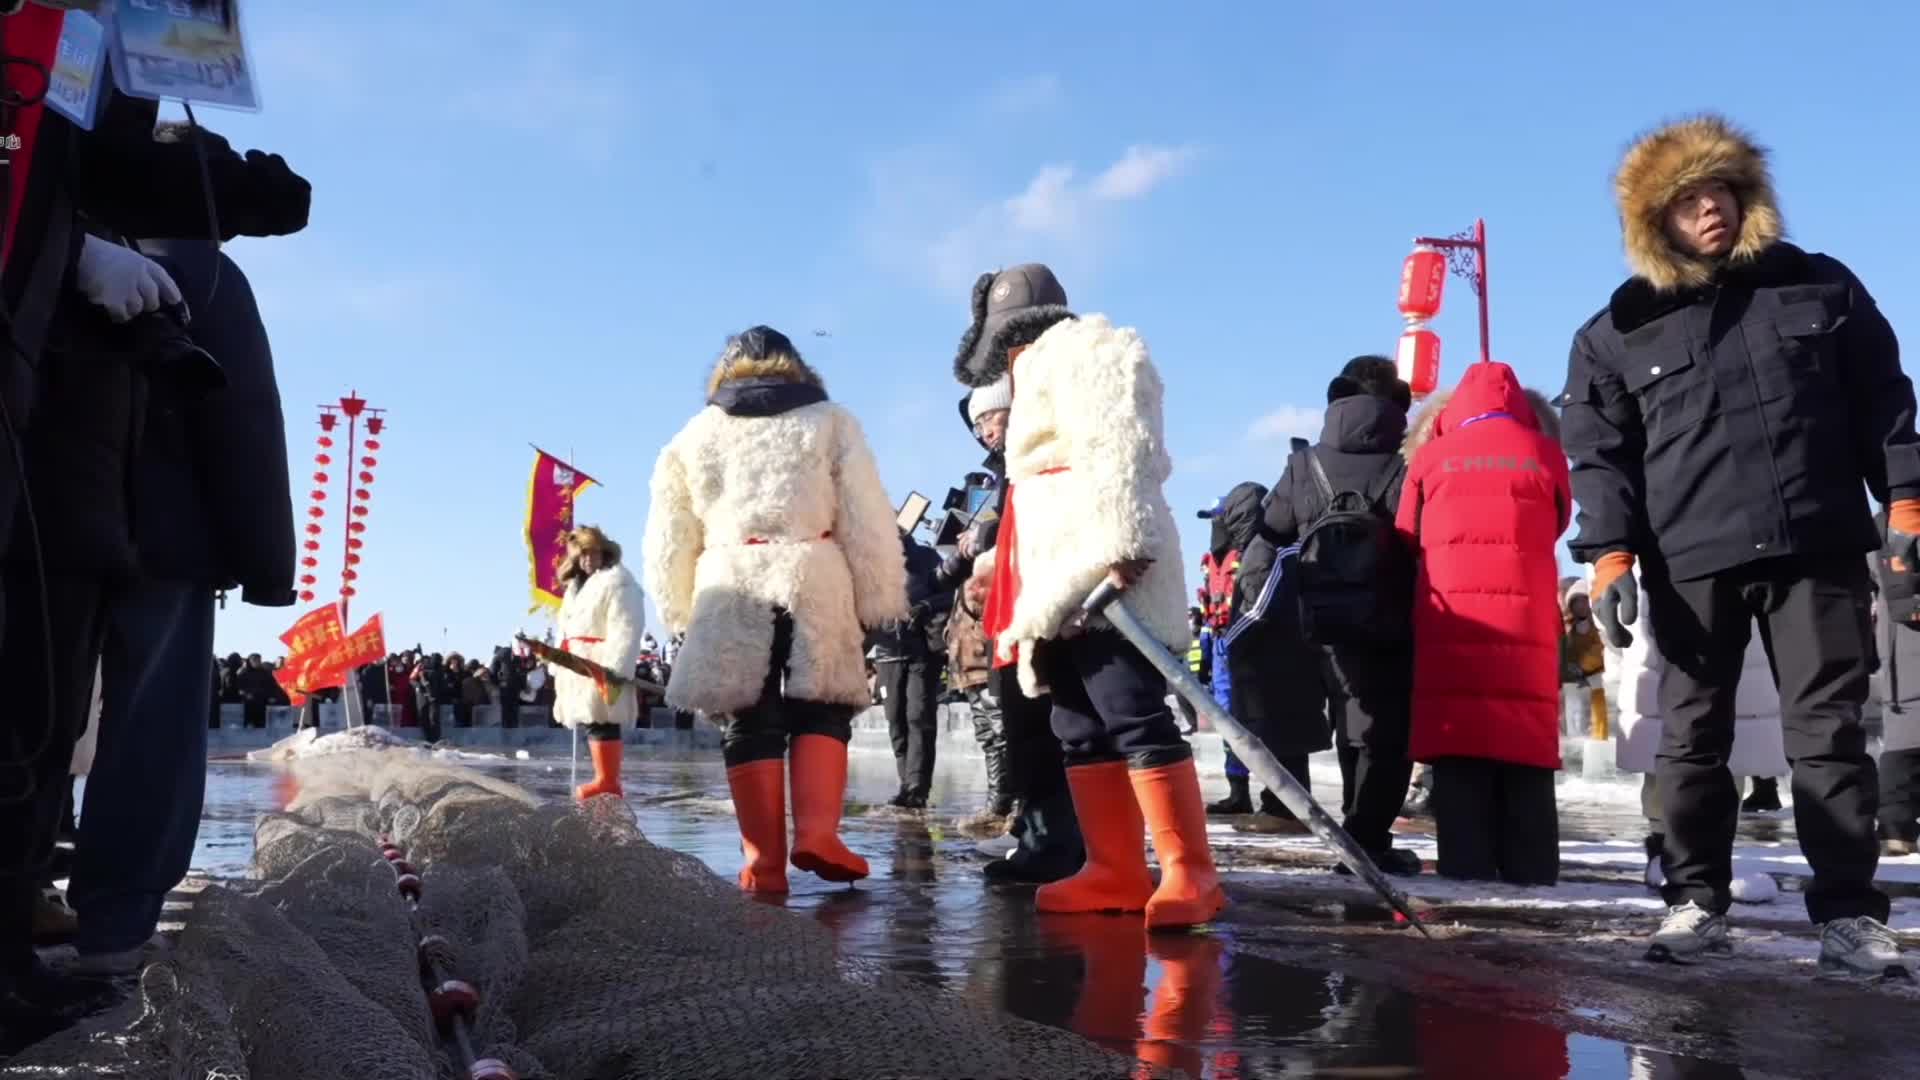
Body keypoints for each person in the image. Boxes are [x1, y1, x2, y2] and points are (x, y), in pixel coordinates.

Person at [1562, 115, 1913, 975]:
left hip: (1816, 546)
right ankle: (1694, 902)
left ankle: (1848, 916)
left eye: (1721, 191)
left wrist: (1906, 498)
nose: (1710, 209)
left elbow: (1884, 397)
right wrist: (1609, 554)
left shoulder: (1818, 283)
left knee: (1828, 736)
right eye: (1687, 201)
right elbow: (1601, 456)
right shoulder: (1616, 330)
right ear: (1657, 222)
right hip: (1691, 562)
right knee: (1691, 740)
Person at [956, 263, 1222, 929]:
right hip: (1051, 578)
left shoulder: (1094, 350)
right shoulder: (1033, 373)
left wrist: (1124, 546)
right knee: (1076, 725)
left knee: (1131, 712)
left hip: (1101, 565)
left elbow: (1123, 449)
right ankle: (1114, 868)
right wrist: (1000, 564)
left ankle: (1190, 872)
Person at [643, 326, 907, 893]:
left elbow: (669, 535)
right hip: (815, 570)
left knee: (746, 715)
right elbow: (866, 515)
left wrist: (678, 607)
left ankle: (764, 865)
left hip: (729, 575)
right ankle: (818, 834)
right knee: (823, 704)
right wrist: (878, 594)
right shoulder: (832, 421)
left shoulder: (693, 435)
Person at [1242, 360, 1419, 869]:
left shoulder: (1304, 464)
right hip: (1391, 618)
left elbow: (1268, 537)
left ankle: (1357, 834)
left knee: (1348, 719)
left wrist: (1257, 607)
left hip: (1317, 618)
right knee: (1385, 731)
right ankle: (1366, 836)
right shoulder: (1409, 461)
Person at [1399, 362, 1569, 885]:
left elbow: (1406, 530)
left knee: (1460, 742)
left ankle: (1465, 864)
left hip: (1453, 620)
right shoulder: (1545, 453)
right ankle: (1532, 867)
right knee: (1525, 742)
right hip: (1527, 616)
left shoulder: (1430, 457)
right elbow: (1560, 519)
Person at [1608, 563, 1789, 891]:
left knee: (1731, 747)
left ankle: (1713, 854)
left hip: (1738, 602)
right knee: (1668, 743)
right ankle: (1664, 848)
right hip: (1668, 601)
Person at [551, 526, 647, 800]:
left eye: (592, 552)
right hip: (577, 663)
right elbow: (565, 629)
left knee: (604, 720)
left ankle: (607, 780)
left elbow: (626, 628)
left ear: (604, 552)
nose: (587, 559)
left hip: (601, 661)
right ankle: (603, 778)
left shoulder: (619, 583)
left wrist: (615, 668)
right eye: (582, 554)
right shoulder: (574, 589)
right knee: (592, 721)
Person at [872, 526, 949, 809]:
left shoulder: (925, 558)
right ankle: (906, 784)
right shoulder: (873, 562)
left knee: (919, 717)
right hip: (886, 653)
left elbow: (951, 594)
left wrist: (926, 606)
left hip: (922, 652)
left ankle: (917, 788)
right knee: (895, 720)